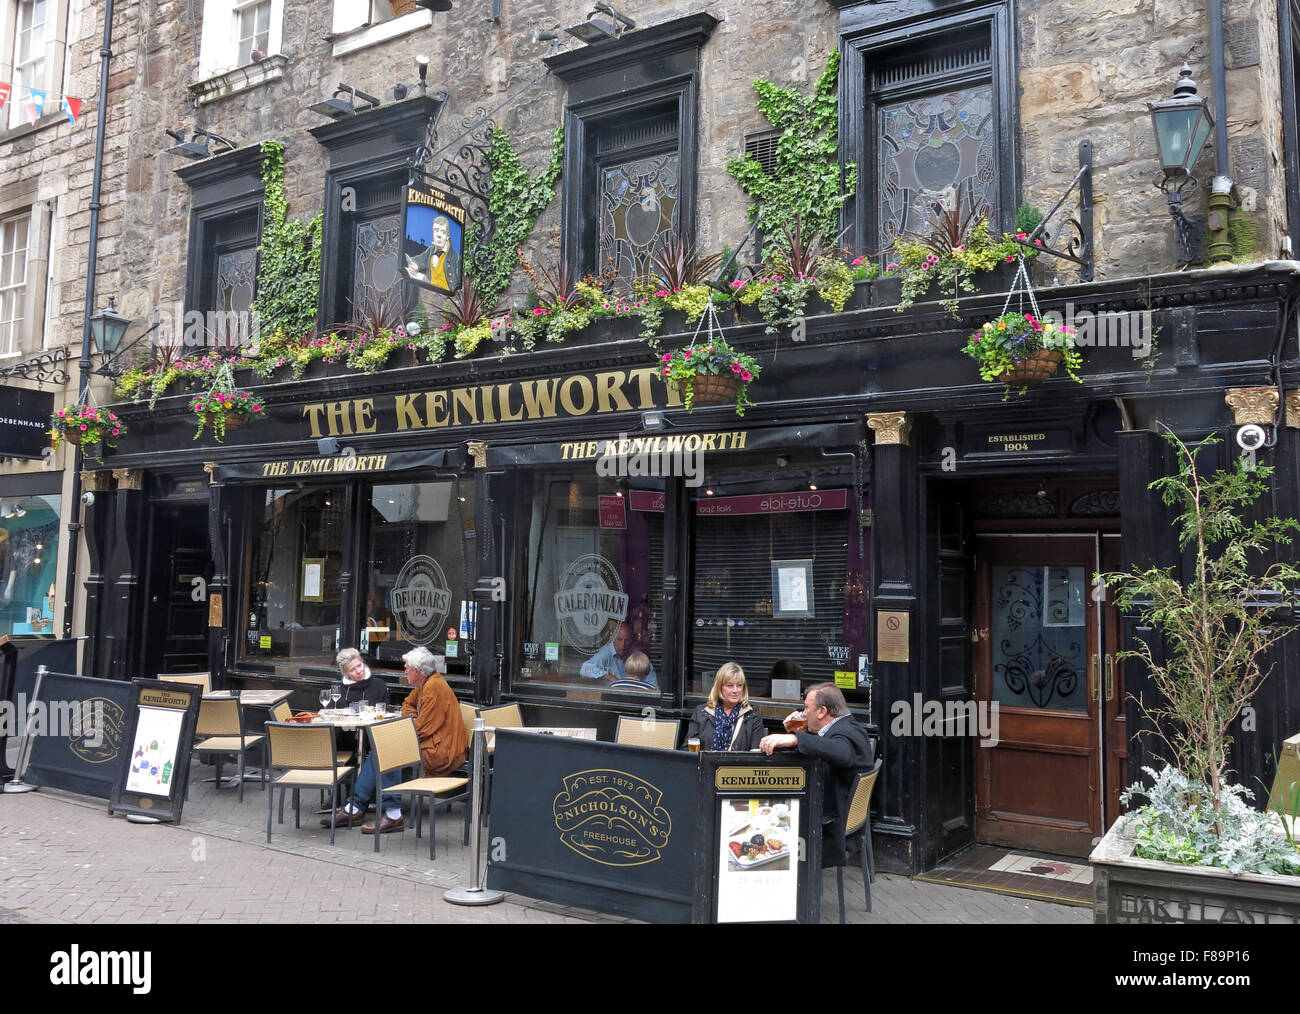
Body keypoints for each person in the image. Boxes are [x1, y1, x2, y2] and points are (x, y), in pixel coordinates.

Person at [323, 646, 468, 834]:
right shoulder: (425, 683)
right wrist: (410, 719)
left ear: (417, 671)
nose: (404, 670)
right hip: (433, 744)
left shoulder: (433, 687)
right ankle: (360, 808)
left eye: (407, 667)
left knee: (390, 752)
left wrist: (403, 727)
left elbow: (421, 729)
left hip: (442, 751)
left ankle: (385, 813)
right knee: (381, 751)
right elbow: (407, 705)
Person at [760, 683, 874, 864]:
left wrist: (796, 738)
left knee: (767, 827)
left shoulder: (845, 734)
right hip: (841, 819)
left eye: (806, 708)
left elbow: (840, 752)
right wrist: (800, 732)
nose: (803, 713)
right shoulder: (848, 726)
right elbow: (826, 745)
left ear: (822, 712)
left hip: (829, 828)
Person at [686, 662, 764, 752]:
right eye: (729, 686)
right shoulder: (701, 712)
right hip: (705, 765)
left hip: (736, 766)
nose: (735, 690)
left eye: (739, 685)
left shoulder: (753, 717)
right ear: (719, 688)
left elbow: (756, 755)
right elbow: (687, 751)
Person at [580, 622, 658, 689]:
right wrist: (610, 677)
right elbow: (584, 669)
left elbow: (653, 684)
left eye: (627, 640)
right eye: (619, 640)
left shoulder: (636, 654)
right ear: (613, 639)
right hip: (612, 696)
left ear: (631, 641)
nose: (623, 644)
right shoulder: (607, 652)